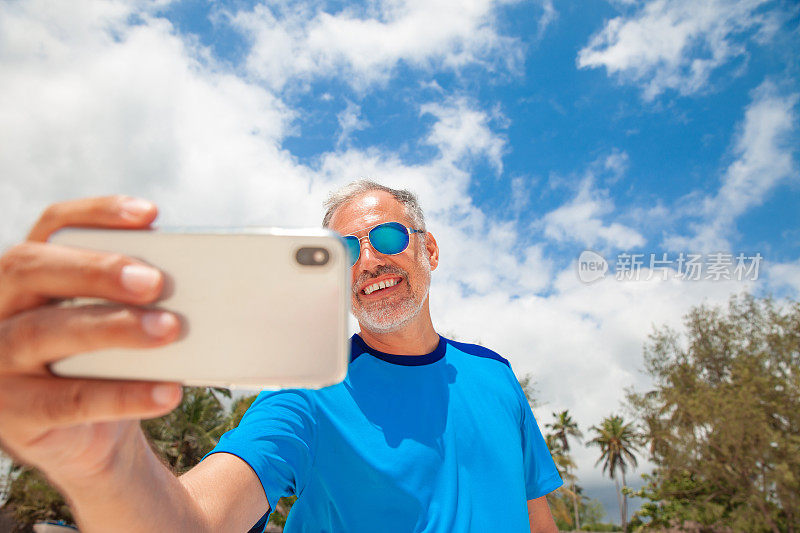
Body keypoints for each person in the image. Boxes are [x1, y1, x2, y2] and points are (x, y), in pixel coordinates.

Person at [0, 181, 561, 532]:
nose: (367, 263)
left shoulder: (496, 375)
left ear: (428, 249)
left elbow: (536, 514)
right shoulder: (311, 389)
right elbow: (199, 521)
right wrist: (107, 466)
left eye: (387, 239)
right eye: (343, 252)